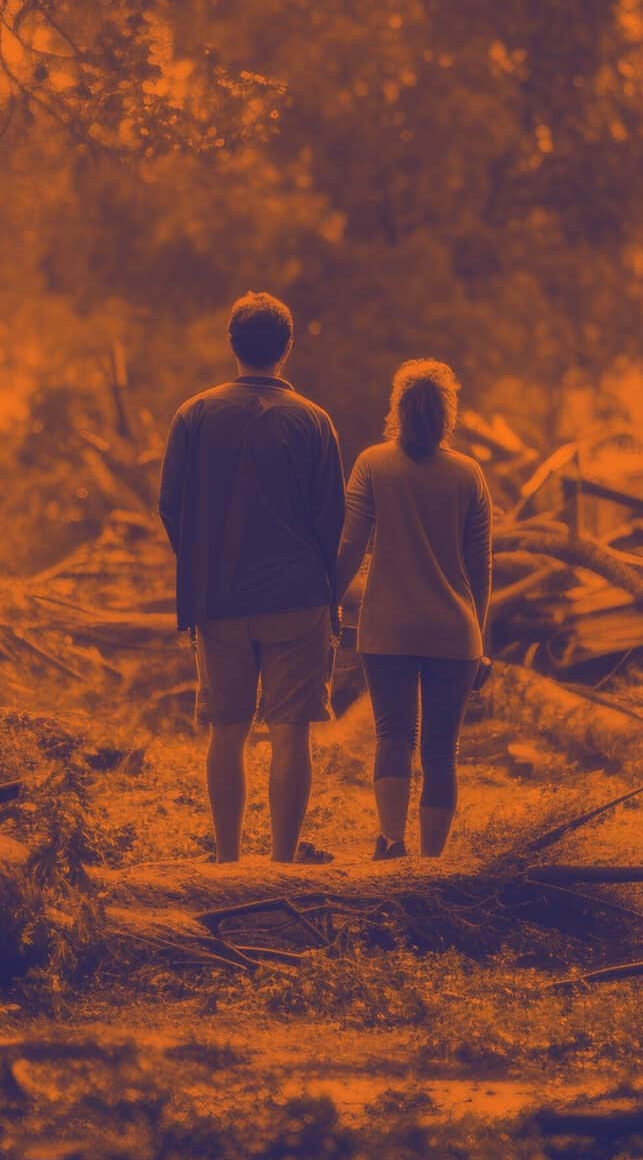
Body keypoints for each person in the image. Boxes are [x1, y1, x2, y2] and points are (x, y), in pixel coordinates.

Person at [158, 292, 347, 864]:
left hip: (219, 599)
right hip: (297, 598)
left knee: (227, 731)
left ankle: (228, 859)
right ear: (287, 347)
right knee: (291, 733)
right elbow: (331, 518)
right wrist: (329, 595)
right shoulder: (314, 421)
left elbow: (171, 507)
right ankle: (282, 863)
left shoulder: (193, 415)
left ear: (232, 344)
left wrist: (204, 565)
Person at [332, 359, 492, 860]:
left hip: (388, 627)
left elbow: (349, 545)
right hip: (455, 633)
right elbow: (480, 568)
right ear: (448, 414)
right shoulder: (469, 474)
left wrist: (328, 602)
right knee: (442, 751)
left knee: (393, 736)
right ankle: (431, 864)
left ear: (397, 410)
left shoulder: (373, 465)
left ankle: (391, 843)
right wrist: (480, 639)